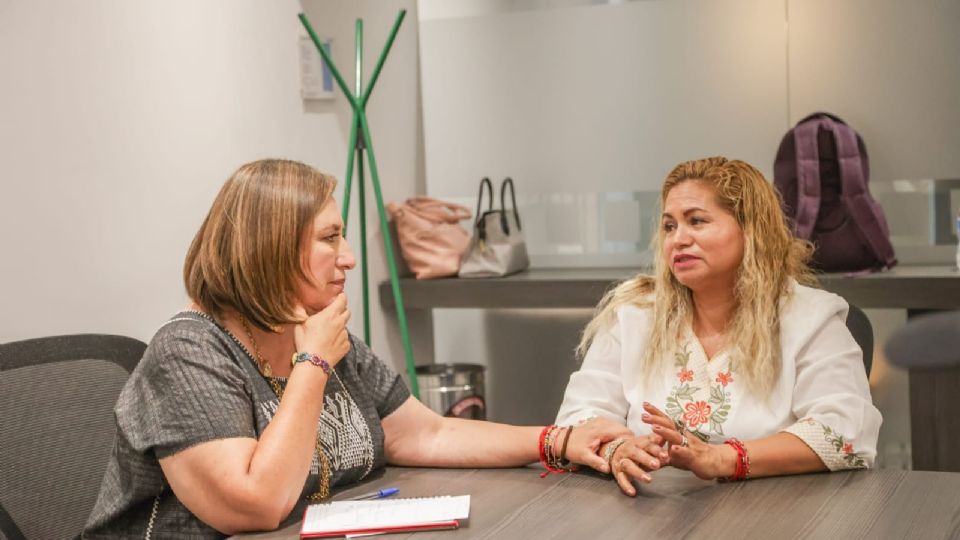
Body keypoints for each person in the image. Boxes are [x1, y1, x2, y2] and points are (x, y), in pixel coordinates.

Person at [83, 159, 629, 537]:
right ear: (269, 250)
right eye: (329, 238)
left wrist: (556, 440)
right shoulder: (189, 353)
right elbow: (254, 505)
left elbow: (427, 432)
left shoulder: (314, 325)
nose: (348, 257)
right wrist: (313, 364)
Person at [555, 156, 882, 496]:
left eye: (696, 221)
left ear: (751, 230)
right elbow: (579, 415)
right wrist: (616, 450)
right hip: (650, 511)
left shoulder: (810, 318)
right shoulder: (635, 313)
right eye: (669, 226)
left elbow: (846, 433)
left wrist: (722, 459)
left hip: (779, 512)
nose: (678, 239)